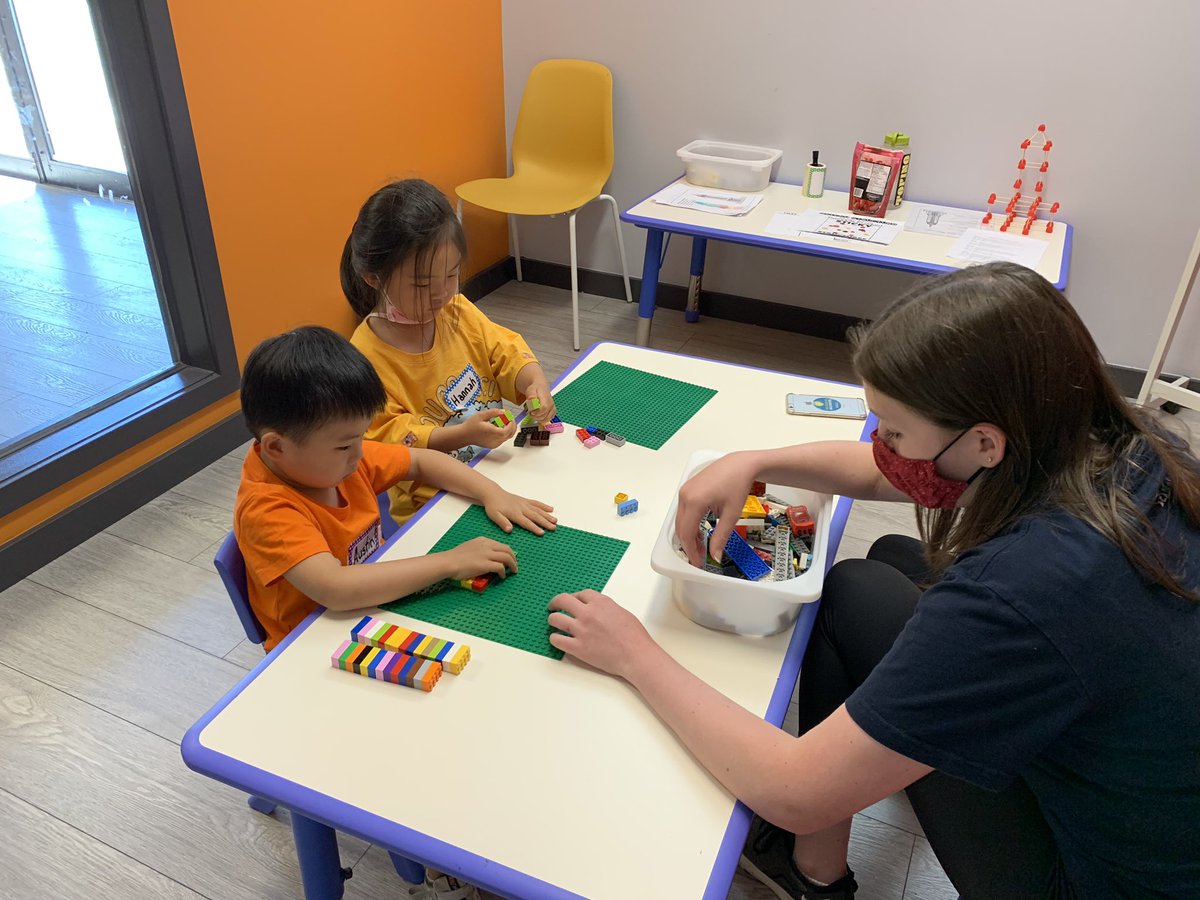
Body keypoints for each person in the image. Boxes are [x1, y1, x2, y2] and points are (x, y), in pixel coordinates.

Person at [545, 262, 1200, 900]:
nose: (882, 447)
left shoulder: (1022, 589)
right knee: (890, 555)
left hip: (1100, 880)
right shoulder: (1121, 442)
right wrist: (754, 459)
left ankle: (816, 877)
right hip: (1154, 803)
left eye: (894, 431)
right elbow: (889, 471)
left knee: (851, 596)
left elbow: (795, 790)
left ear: (985, 444)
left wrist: (634, 653)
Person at [235, 325, 556, 655]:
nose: (360, 454)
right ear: (276, 448)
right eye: (345, 446)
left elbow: (422, 461)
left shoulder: (331, 458)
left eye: (360, 437)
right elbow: (336, 589)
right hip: (312, 643)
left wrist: (493, 493)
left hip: (374, 602)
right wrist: (450, 563)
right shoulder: (267, 509)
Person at [343, 178, 557, 525]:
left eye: (452, 275)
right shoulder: (364, 360)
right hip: (431, 503)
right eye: (423, 284)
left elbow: (504, 351)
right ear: (373, 278)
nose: (441, 293)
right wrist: (463, 434)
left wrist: (534, 383)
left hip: (497, 472)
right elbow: (394, 442)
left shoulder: (456, 311)